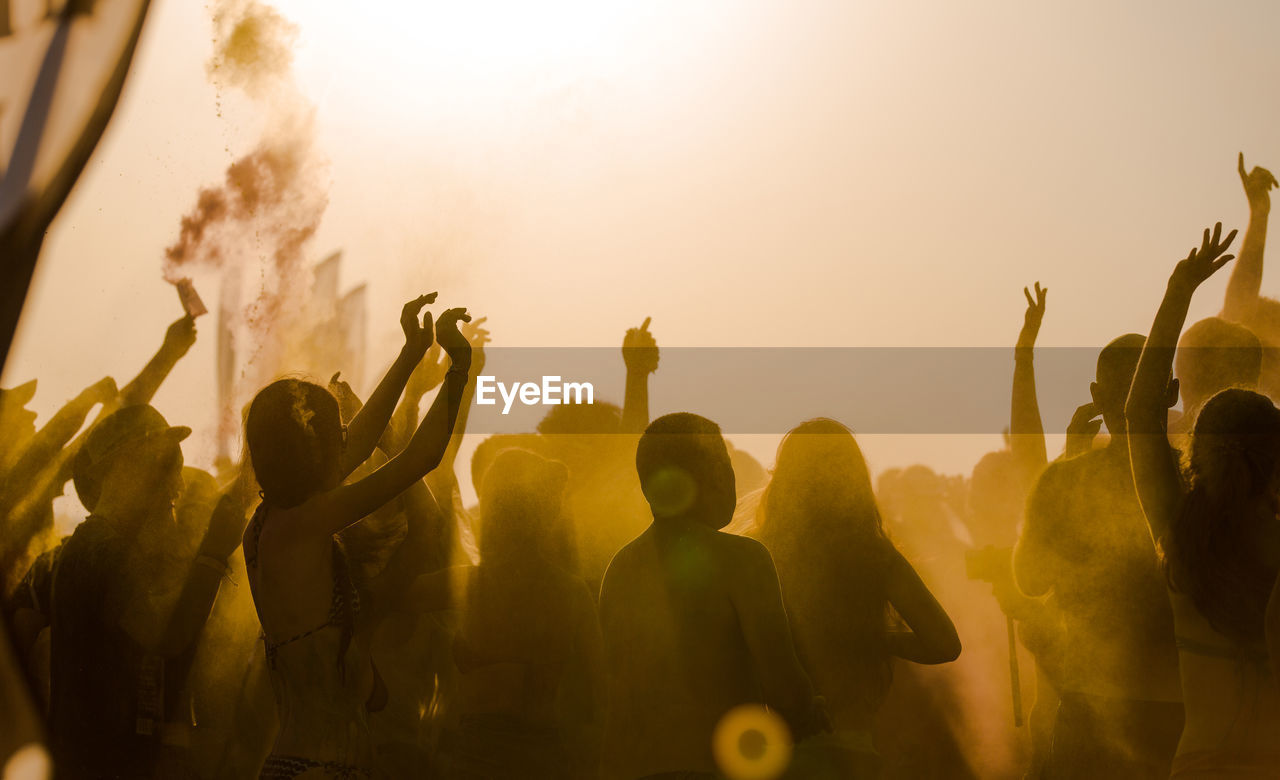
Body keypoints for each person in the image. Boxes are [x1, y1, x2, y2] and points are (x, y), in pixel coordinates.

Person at [242, 294, 471, 778]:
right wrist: (459, 370)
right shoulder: (302, 522)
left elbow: (364, 440)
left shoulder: (275, 521)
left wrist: (411, 353)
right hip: (318, 769)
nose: (348, 437)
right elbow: (418, 460)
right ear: (311, 449)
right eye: (336, 432)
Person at [1127, 222, 1280, 776]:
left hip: (1199, 762)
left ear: (1196, 452)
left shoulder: (1180, 537)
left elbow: (1140, 415)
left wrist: (1178, 293)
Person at [598, 412, 826, 780]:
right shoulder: (743, 559)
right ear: (711, 476)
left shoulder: (620, 568)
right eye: (725, 464)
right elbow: (785, 690)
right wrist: (814, 711)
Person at [1014, 329, 1184, 778]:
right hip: (1179, 715)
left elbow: (1029, 579)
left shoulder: (1063, 484)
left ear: (1095, 396)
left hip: (1088, 709)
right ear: (1171, 393)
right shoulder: (1197, 482)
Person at [750, 418, 960, 777]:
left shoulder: (760, 553)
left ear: (784, 479)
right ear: (851, 479)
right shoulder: (873, 555)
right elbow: (944, 644)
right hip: (849, 747)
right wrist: (874, 637)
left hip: (767, 745)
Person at [48, 404, 245, 778]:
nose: (178, 483)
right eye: (168, 463)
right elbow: (167, 635)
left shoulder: (110, 548)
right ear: (128, 466)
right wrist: (214, 553)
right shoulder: (97, 551)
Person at [399, 447, 605, 778]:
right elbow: (599, 690)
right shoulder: (572, 591)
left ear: (493, 511)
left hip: (478, 757)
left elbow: (388, 594)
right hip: (549, 757)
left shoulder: (470, 584)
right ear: (549, 513)